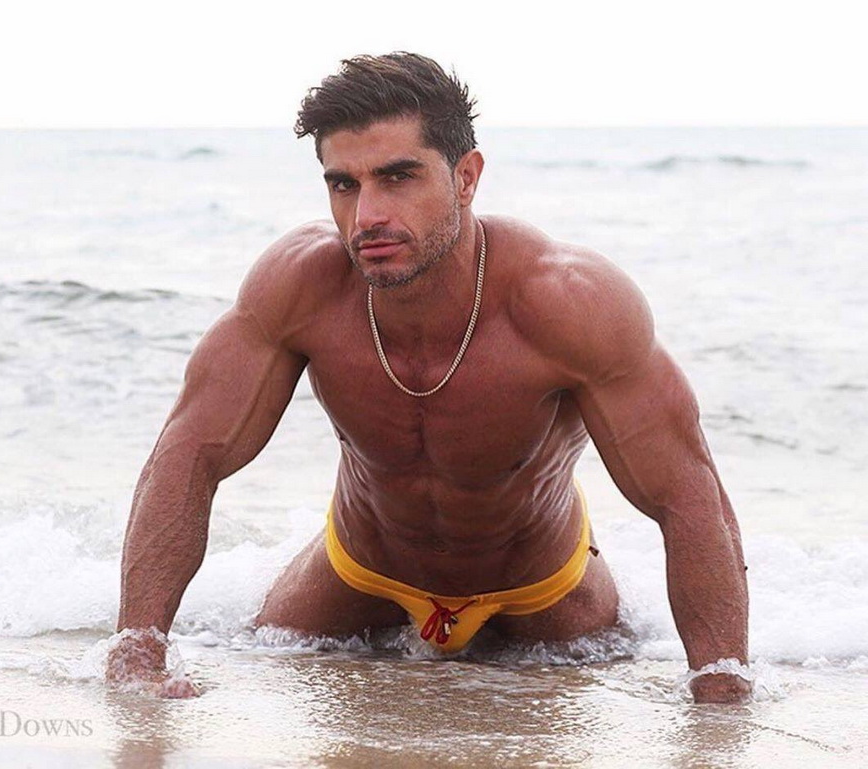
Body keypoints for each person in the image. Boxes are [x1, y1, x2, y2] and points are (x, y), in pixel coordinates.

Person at [107, 53, 750, 703]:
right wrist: (137, 652)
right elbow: (190, 452)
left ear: (466, 177)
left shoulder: (569, 303)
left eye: (398, 177)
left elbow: (686, 492)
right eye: (344, 185)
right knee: (252, 659)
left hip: (543, 588)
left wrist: (720, 684)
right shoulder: (300, 287)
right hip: (360, 567)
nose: (367, 216)